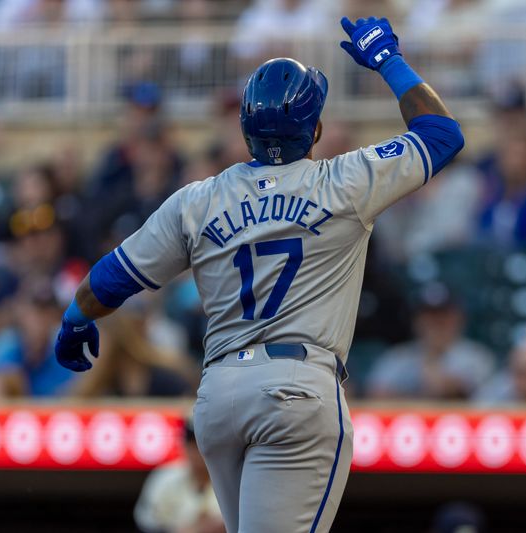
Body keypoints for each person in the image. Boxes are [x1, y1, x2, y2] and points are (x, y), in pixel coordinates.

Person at [54, 16, 464, 533]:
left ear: (247, 129)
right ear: (314, 130)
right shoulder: (344, 181)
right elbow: (442, 134)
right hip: (296, 390)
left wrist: (74, 320)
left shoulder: (198, 200)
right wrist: (388, 62)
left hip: (219, 397)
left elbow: (107, 282)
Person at [366, 286, 494, 400]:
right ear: (416, 321)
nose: (437, 323)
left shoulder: (478, 357)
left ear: (459, 319)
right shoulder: (398, 357)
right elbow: (376, 395)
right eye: (430, 316)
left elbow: (485, 399)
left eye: (444, 315)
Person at [134, 417, 225, 533]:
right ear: (184, 445)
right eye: (193, 444)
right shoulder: (165, 478)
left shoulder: (231, 481)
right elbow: (146, 524)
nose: (198, 451)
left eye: (203, 444)